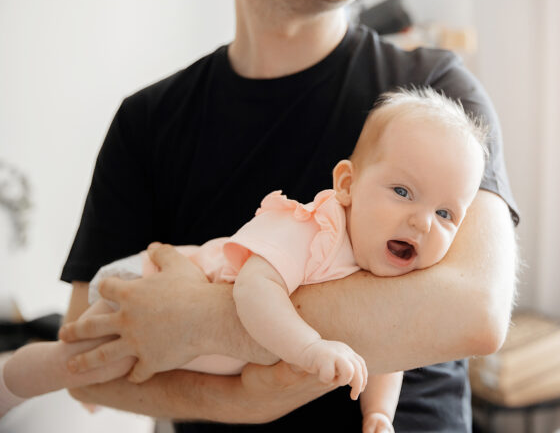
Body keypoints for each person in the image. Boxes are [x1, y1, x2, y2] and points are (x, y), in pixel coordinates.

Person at [42, 0, 519, 431]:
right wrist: (244, 401)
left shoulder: (434, 97)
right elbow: (83, 365)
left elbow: (476, 311)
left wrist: (204, 321)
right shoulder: (147, 123)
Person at [0, 88, 488, 433]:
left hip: (192, 353)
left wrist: (378, 413)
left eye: (446, 213)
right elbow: (254, 290)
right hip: (152, 284)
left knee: (102, 375)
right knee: (74, 365)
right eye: (403, 192)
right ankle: (10, 381)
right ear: (346, 185)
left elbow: (389, 349)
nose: (423, 223)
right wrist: (310, 348)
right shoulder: (314, 227)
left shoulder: (391, 272)